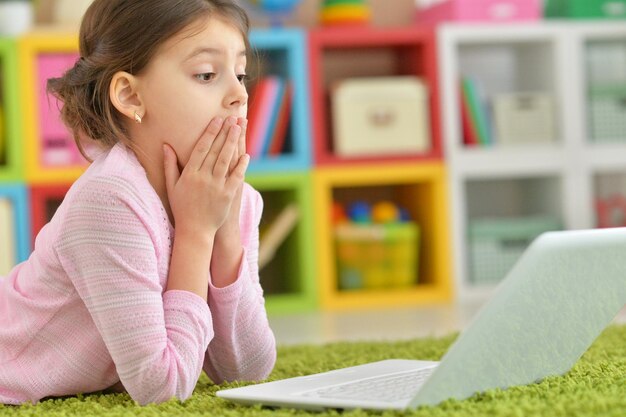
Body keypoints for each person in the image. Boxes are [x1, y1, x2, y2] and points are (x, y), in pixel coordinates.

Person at [0, 0, 276, 405]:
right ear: (130, 95)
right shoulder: (110, 200)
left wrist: (225, 232)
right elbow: (161, 388)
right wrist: (197, 233)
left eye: (240, 74)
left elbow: (247, 371)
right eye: (206, 74)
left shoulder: (233, 198)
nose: (239, 95)